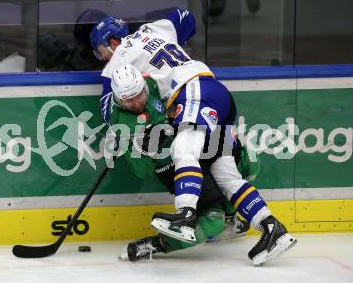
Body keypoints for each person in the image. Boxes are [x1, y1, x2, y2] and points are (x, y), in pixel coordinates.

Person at [89, 8, 296, 266]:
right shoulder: (155, 29)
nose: (102, 58)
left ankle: (185, 215)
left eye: (101, 51)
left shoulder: (117, 63)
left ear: (113, 43)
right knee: (226, 174)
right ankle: (272, 228)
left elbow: (110, 108)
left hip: (191, 92)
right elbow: (185, 16)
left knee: (183, 150)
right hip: (214, 89)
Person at [107, 63, 254, 261]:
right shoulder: (120, 122)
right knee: (212, 222)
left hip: (199, 143)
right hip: (172, 168)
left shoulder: (155, 83)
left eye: (139, 96)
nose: (136, 104)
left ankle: (230, 216)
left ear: (143, 84)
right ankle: (154, 244)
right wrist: (146, 148)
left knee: (249, 162)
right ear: (118, 100)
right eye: (128, 101)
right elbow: (141, 170)